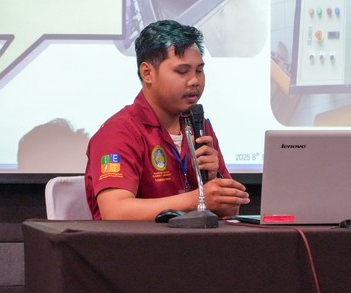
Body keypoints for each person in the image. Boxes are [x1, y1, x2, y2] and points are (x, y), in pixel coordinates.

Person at [85, 20, 250, 220]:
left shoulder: (199, 125)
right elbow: (115, 212)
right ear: (147, 73)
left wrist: (214, 182)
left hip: (195, 238)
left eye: (199, 70)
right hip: (137, 240)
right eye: (182, 71)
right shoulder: (119, 131)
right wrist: (199, 199)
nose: (195, 81)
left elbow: (231, 210)